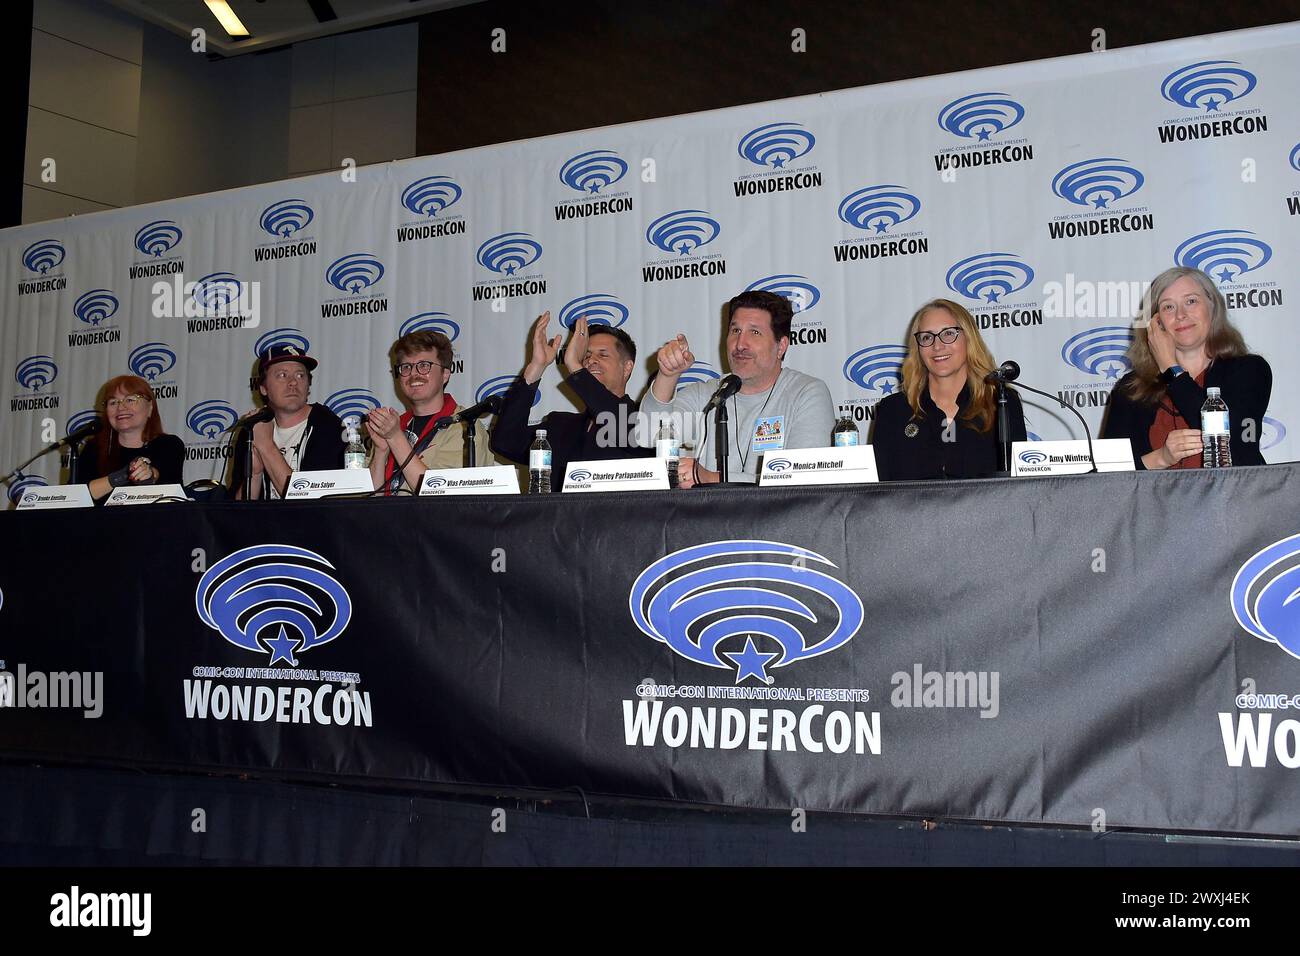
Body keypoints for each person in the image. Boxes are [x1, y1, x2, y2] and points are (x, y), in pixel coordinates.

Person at [641, 290, 834, 485]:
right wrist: (667, 375)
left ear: (781, 346)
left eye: (755, 332)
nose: (740, 344)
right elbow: (648, 436)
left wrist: (711, 479)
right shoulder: (706, 394)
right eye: (735, 331)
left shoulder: (807, 393)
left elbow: (804, 479)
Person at [1102, 266, 1271, 469]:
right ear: (1156, 323)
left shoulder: (1248, 370)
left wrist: (1170, 367)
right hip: (1156, 501)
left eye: (1191, 301)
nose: (1181, 314)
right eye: (1168, 307)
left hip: (1231, 498)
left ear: (1212, 307)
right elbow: (1107, 473)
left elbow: (1233, 445)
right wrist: (1160, 458)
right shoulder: (1130, 389)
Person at [491, 311, 652, 490]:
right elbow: (506, 441)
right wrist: (536, 367)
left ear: (627, 367)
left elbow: (622, 425)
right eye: (587, 355)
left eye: (603, 355)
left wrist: (575, 366)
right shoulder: (560, 426)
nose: (591, 360)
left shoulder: (644, 420)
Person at [871, 298, 1026, 480]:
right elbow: (878, 495)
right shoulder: (893, 410)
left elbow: (1018, 489)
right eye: (927, 337)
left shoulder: (1001, 403)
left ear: (969, 339)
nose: (937, 346)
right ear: (918, 348)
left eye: (948, 334)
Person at [367, 330, 493, 494]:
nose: (413, 374)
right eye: (406, 367)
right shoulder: (395, 425)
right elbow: (368, 499)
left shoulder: (464, 427)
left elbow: (440, 494)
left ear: (445, 374)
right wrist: (380, 451)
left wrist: (395, 438)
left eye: (424, 366)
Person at [230, 344, 345, 499]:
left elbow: (310, 504)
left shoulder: (328, 426)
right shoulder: (251, 429)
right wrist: (255, 475)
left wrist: (266, 446)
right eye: (282, 375)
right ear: (263, 388)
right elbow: (237, 516)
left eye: (300, 375)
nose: (293, 382)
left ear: (308, 386)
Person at [77, 375, 185, 503]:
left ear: (150, 407)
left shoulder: (169, 445)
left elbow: (167, 482)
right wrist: (121, 476)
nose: (121, 407)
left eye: (130, 400)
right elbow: (77, 495)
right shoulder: (94, 447)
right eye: (113, 402)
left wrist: (149, 474)